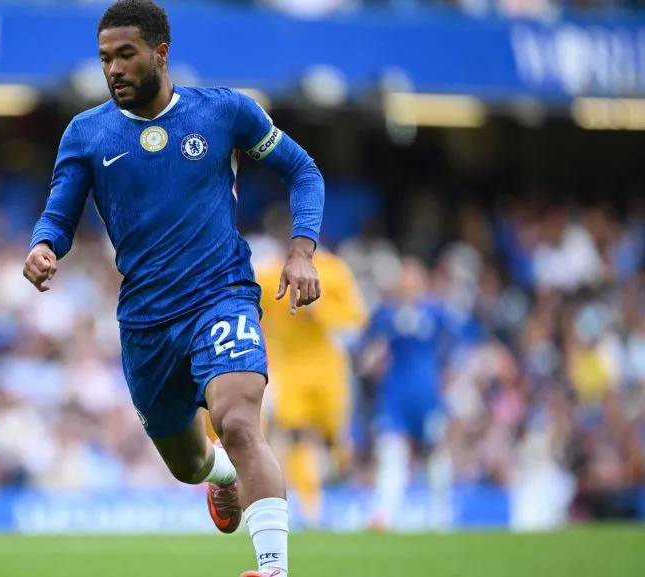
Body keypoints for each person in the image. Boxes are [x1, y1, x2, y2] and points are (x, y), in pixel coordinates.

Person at [23, 1, 325, 574]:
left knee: (237, 419)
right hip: (146, 324)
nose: (113, 69)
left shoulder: (224, 112)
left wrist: (302, 250)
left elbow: (302, 170)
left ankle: (274, 568)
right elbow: (58, 216)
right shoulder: (87, 134)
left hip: (222, 296)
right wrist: (43, 246)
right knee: (188, 464)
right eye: (105, 57)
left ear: (160, 53)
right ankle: (223, 476)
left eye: (126, 55)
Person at [256, 244, 367, 527]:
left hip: (328, 371)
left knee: (337, 443)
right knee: (298, 437)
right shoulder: (268, 276)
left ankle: (348, 491)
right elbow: (250, 308)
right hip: (291, 371)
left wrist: (320, 310)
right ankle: (311, 508)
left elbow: (355, 317)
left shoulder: (332, 271)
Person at [355, 258, 455, 531]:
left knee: (434, 454)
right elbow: (366, 349)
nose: (407, 286)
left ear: (421, 284)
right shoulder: (385, 314)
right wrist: (369, 362)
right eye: (403, 281)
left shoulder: (436, 313)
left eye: (412, 281)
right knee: (391, 453)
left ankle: (441, 515)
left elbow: (455, 348)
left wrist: (448, 380)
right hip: (395, 396)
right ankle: (384, 514)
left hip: (426, 396)